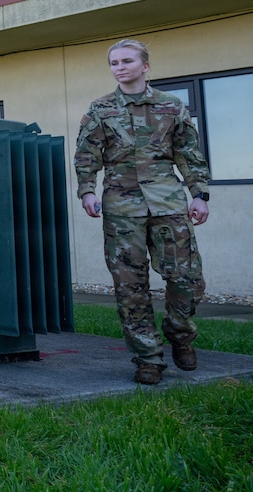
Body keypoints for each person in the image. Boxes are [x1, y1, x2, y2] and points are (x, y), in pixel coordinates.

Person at [74, 39, 210, 386]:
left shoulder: (172, 106)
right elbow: (86, 155)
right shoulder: (100, 109)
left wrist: (199, 194)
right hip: (122, 208)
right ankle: (148, 357)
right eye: (114, 62)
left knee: (186, 279)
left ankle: (180, 334)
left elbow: (189, 153)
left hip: (168, 203)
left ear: (145, 66)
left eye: (127, 61)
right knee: (129, 286)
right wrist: (87, 190)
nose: (120, 67)